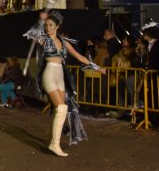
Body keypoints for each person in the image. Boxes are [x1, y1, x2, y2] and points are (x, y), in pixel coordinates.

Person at [24, 10, 106, 157]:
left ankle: (51, 139)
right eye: (46, 25)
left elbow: (80, 57)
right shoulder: (43, 39)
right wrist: (40, 21)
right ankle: (54, 145)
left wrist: (97, 67)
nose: (48, 27)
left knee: (59, 109)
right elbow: (34, 32)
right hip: (49, 73)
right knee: (62, 108)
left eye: (50, 25)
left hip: (60, 75)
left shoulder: (64, 42)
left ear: (57, 26)